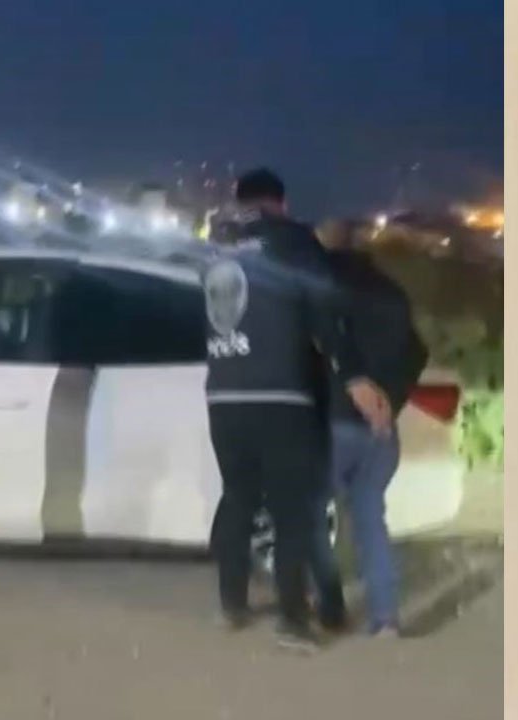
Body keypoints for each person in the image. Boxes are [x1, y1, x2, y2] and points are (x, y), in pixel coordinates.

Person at [203, 168, 388, 650]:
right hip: (282, 395)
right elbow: (325, 310)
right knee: (292, 507)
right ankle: (291, 619)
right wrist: (355, 376)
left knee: (238, 497)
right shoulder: (292, 241)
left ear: (239, 201)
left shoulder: (217, 246)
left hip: (223, 395)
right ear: (280, 203)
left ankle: (231, 605)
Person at [308, 219, 427, 637]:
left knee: (312, 513)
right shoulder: (393, 294)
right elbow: (418, 351)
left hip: (334, 421)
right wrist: (390, 399)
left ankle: (327, 608)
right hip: (380, 431)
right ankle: (385, 618)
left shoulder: (324, 289)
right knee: (371, 519)